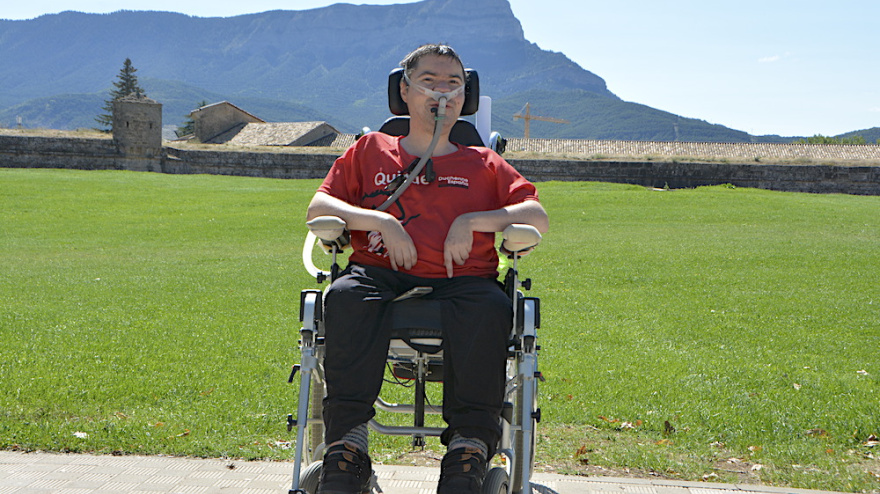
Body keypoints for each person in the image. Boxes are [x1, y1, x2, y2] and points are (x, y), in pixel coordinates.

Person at [305, 43, 549, 494]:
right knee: (344, 297)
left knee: (491, 307)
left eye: (454, 84)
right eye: (430, 81)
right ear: (404, 90)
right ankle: (349, 445)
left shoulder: (485, 163)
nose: (444, 93)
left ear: (466, 96)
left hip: (464, 282)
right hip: (379, 274)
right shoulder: (369, 150)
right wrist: (380, 220)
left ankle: (468, 448)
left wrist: (473, 221)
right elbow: (318, 206)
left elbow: (536, 216)